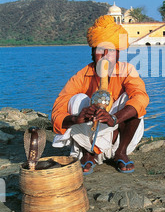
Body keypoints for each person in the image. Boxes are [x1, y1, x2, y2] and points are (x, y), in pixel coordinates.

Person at [51, 15, 149, 174]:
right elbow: (57, 112)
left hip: (118, 137)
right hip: (87, 139)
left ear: (117, 54)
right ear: (92, 54)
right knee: (77, 100)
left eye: (110, 50)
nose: (105, 55)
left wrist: (114, 118)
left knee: (133, 101)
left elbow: (141, 98)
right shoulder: (82, 76)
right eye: (100, 50)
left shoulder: (127, 70)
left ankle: (121, 152)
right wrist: (76, 119)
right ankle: (88, 154)